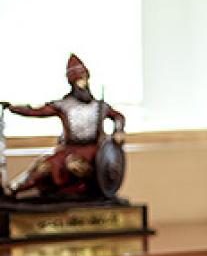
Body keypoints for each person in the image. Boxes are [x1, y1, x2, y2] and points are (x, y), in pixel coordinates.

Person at [1, 54, 126, 199]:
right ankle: (14, 189)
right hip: (69, 149)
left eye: (83, 79)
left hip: (92, 153)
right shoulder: (64, 105)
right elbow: (35, 111)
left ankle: (78, 190)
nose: (81, 84)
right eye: (77, 80)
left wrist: (118, 131)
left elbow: (119, 117)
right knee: (45, 166)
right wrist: (13, 108)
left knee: (74, 166)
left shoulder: (100, 107)